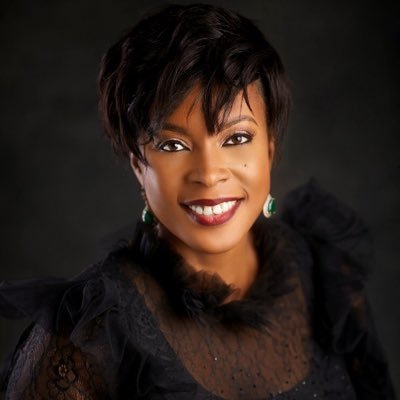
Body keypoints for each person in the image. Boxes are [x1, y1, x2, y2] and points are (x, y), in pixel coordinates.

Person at [0, 3, 396, 399]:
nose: (208, 174)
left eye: (236, 138)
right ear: (138, 163)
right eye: (173, 145)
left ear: (270, 150)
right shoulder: (86, 337)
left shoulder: (324, 274)